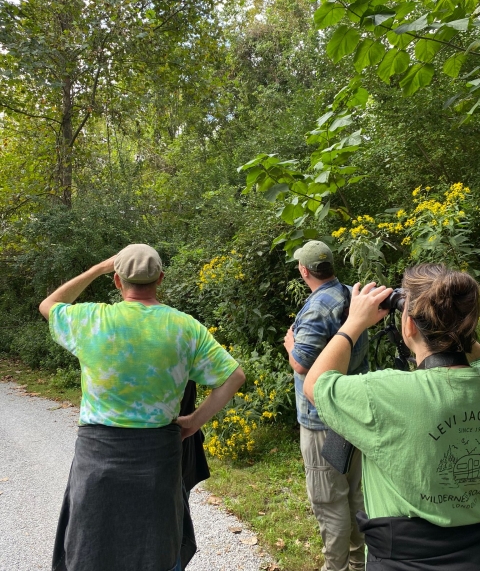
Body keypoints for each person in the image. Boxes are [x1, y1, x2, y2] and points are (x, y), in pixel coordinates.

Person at [39, 244, 245, 571]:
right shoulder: (184, 327)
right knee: (158, 546)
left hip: (98, 458)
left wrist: (96, 269)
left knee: (92, 545)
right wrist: (193, 421)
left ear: (118, 281)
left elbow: (49, 305)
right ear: (160, 279)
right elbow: (234, 376)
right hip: (158, 458)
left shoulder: (92, 319)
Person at [304, 263, 480, 570]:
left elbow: (316, 384)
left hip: (403, 560)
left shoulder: (383, 393)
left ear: (409, 326)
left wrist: (353, 323)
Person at [283, 240, 368, 571]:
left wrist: (291, 344)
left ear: (304, 270)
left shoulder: (319, 306)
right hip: (351, 410)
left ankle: (335, 567)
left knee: (328, 498)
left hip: (322, 420)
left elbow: (302, 364)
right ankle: (360, 563)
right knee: (354, 491)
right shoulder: (349, 294)